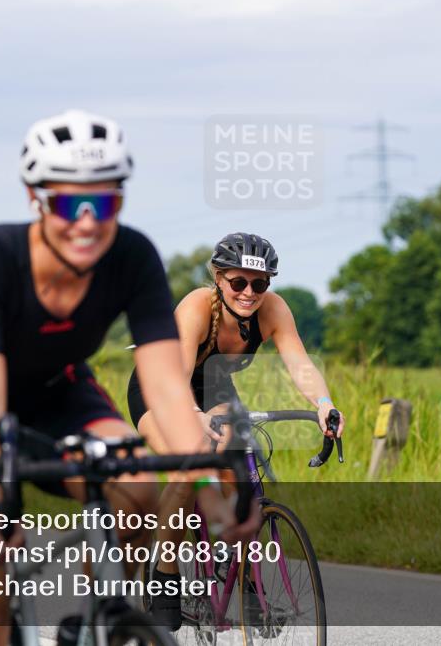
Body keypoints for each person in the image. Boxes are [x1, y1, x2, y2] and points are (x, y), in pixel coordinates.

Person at [0, 110, 255, 646]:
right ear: (35, 199)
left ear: (121, 200)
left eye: (103, 201)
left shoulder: (131, 256)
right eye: (68, 202)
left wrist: (206, 482)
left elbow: (166, 389)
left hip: (56, 390)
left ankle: (98, 621)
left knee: (138, 486)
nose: (87, 221)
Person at [126, 232, 346, 629]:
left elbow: (300, 365)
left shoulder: (273, 309)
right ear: (218, 277)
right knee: (189, 466)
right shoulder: (197, 307)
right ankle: (165, 573)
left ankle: (240, 573)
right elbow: (174, 380)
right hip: (160, 385)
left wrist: (324, 404)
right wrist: (191, 415)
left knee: (238, 466)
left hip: (212, 385)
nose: (249, 292)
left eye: (259, 283)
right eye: (238, 282)